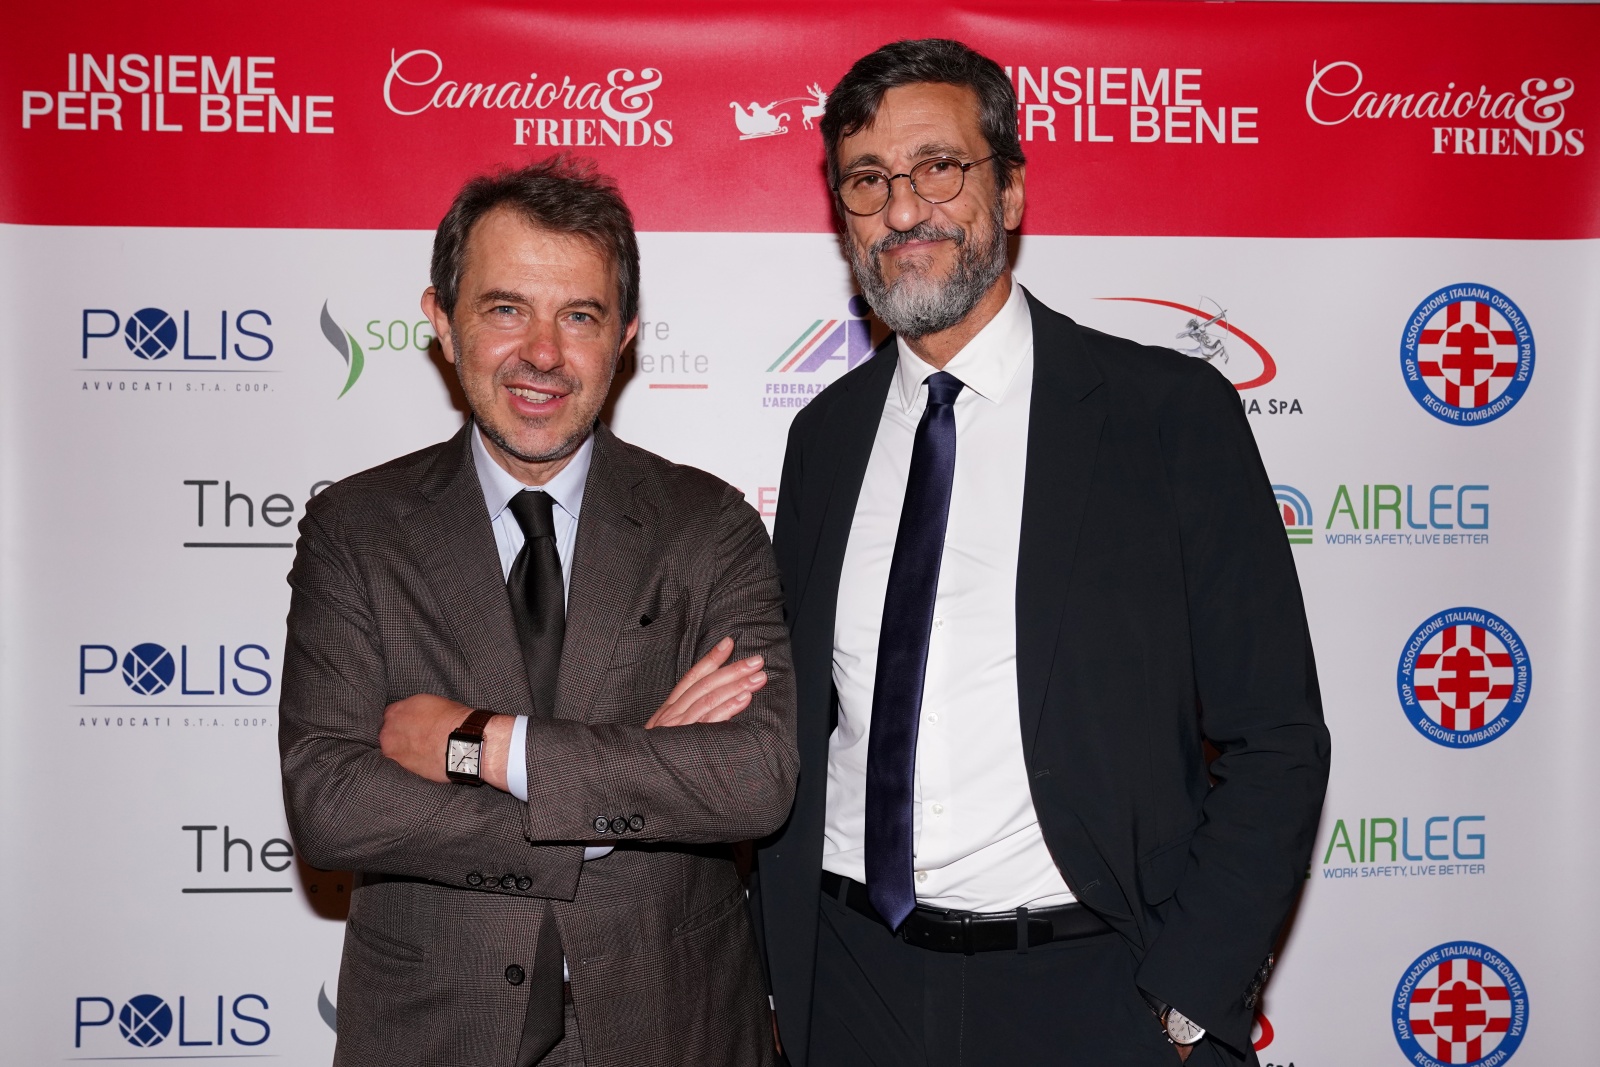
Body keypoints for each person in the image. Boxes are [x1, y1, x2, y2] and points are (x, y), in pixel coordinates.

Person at [754, 39, 1330, 1067]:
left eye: (939, 167)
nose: (902, 208)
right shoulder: (825, 436)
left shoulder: (1165, 414)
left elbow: (1276, 738)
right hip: (850, 982)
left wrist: (1186, 998)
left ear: (1010, 190)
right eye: (867, 180)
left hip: (1088, 994)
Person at [278, 156, 796, 1067]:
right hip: (436, 1031)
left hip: (674, 1028)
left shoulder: (707, 524)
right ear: (443, 321)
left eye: (581, 316)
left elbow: (755, 775)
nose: (544, 354)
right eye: (506, 309)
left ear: (625, 335)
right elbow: (333, 799)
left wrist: (488, 747)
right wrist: (618, 793)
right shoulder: (355, 529)